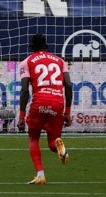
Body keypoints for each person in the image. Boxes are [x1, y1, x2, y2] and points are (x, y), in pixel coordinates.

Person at [17, 34, 73, 185]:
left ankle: (40, 175)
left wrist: (21, 116)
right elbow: (68, 85)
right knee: (52, 143)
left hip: (39, 103)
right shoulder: (60, 61)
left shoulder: (26, 62)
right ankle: (60, 147)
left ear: (31, 46)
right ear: (46, 45)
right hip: (57, 103)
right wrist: (67, 112)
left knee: (33, 138)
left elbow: (24, 90)